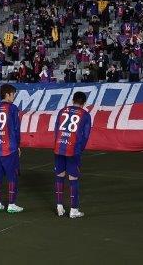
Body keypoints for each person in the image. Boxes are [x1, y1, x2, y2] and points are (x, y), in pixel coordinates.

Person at [53, 91, 92, 219]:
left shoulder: (62, 111)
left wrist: (58, 143)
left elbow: (56, 130)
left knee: (59, 176)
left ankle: (59, 207)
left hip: (59, 147)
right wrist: (80, 149)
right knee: (73, 178)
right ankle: (74, 210)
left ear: (72, 100)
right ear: (84, 103)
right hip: (73, 149)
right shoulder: (85, 115)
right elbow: (85, 135)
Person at [0, 83, 23, 213]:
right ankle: (11, 204)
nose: (14, 97)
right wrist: (18, 145)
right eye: (13, 94)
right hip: (9, 147)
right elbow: (16, 129)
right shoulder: (12, 108)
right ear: (7, 94)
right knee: (12, 176)